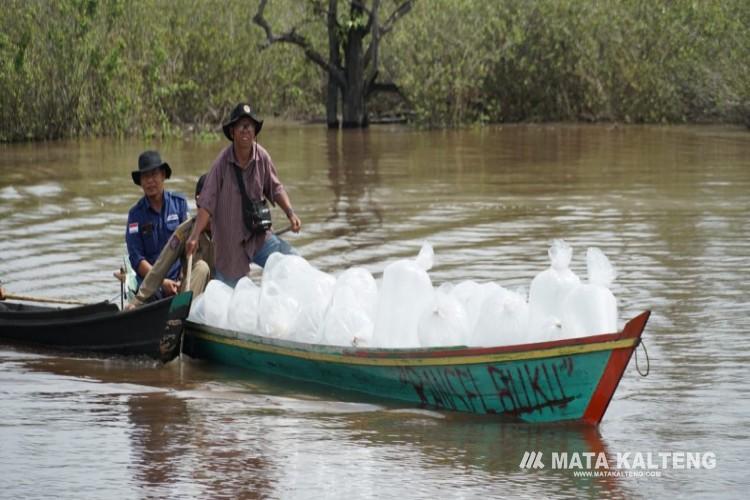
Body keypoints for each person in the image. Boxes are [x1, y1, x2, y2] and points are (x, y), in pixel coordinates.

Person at [186, 103, 301, 287]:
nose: (246, 130)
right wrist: (194, 236)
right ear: (232, 132)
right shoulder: (221, 164)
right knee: (233, 298)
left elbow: (276, 188)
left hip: (257, 237)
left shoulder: (262, 157)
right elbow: (207, 203)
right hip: (230, 245)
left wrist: (290, 213)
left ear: (255, 132)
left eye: (250, 126)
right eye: (241, 126)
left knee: (292, 261)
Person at [127, 175, 214, 309]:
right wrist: (136, 301)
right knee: (202, 267)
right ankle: (179, 314)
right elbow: (159, 268)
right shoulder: (186, 231)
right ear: (198, 200)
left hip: (217, 297)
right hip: (188, 295)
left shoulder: (229, 232)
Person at [126, 150, 188, 298]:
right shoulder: (135, 215)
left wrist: (183, 278)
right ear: (140, 182)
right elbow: (136, 258)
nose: (149, 181)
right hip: (151, 284)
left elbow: (188, 246)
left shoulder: (179, 204)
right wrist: (162, 282)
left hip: (180, 279)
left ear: (163, 175)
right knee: (152, 298)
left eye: (153, 174)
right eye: (145, 177)